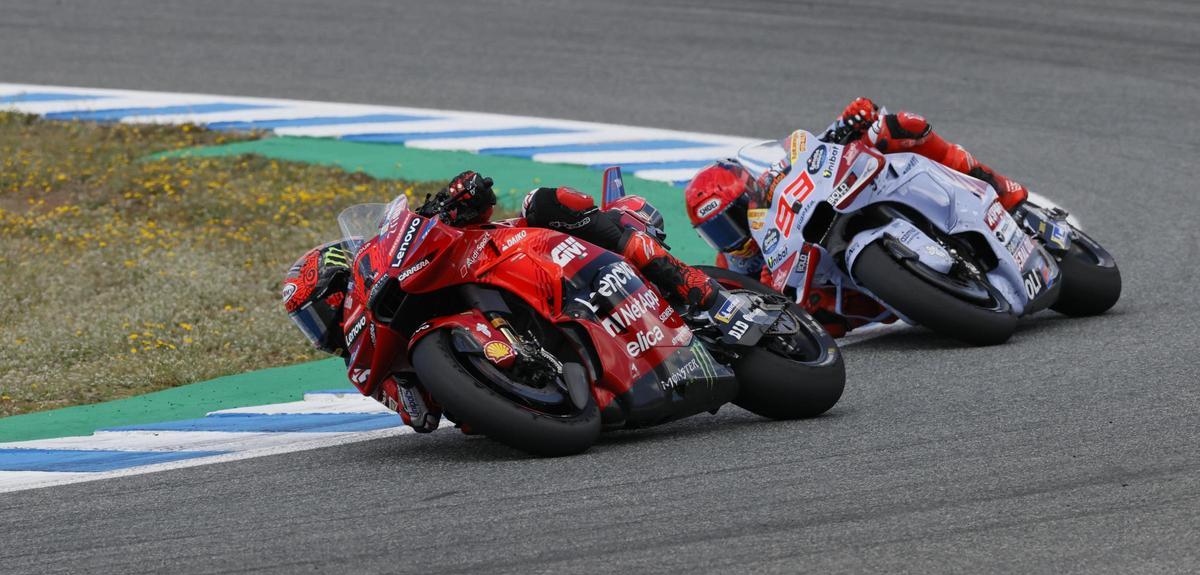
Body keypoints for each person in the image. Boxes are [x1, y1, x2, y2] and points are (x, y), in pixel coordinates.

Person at [283, 171, 723, 432]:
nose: (319, 330)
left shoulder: (392, 263)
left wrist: (458, 199)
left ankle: (693, 287)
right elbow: (420, 418)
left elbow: (470, 207)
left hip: (520, 251)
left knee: (550, 202)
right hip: (520, 402)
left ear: (343, 281)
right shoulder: (366, 370)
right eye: (309, 323)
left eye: (316, 312)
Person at [684, 97, 1031, 336]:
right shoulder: (731, 265)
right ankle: (925, 294)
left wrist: (849, 122)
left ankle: (994, 183)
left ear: (750, 195)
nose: (732, 236)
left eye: (732, 219)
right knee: (819, 318)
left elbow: (816, 152)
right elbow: (752, 306)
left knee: (900, 127)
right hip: (845, 293)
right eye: (717, 231)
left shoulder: (774, 185)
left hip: (842, 205)